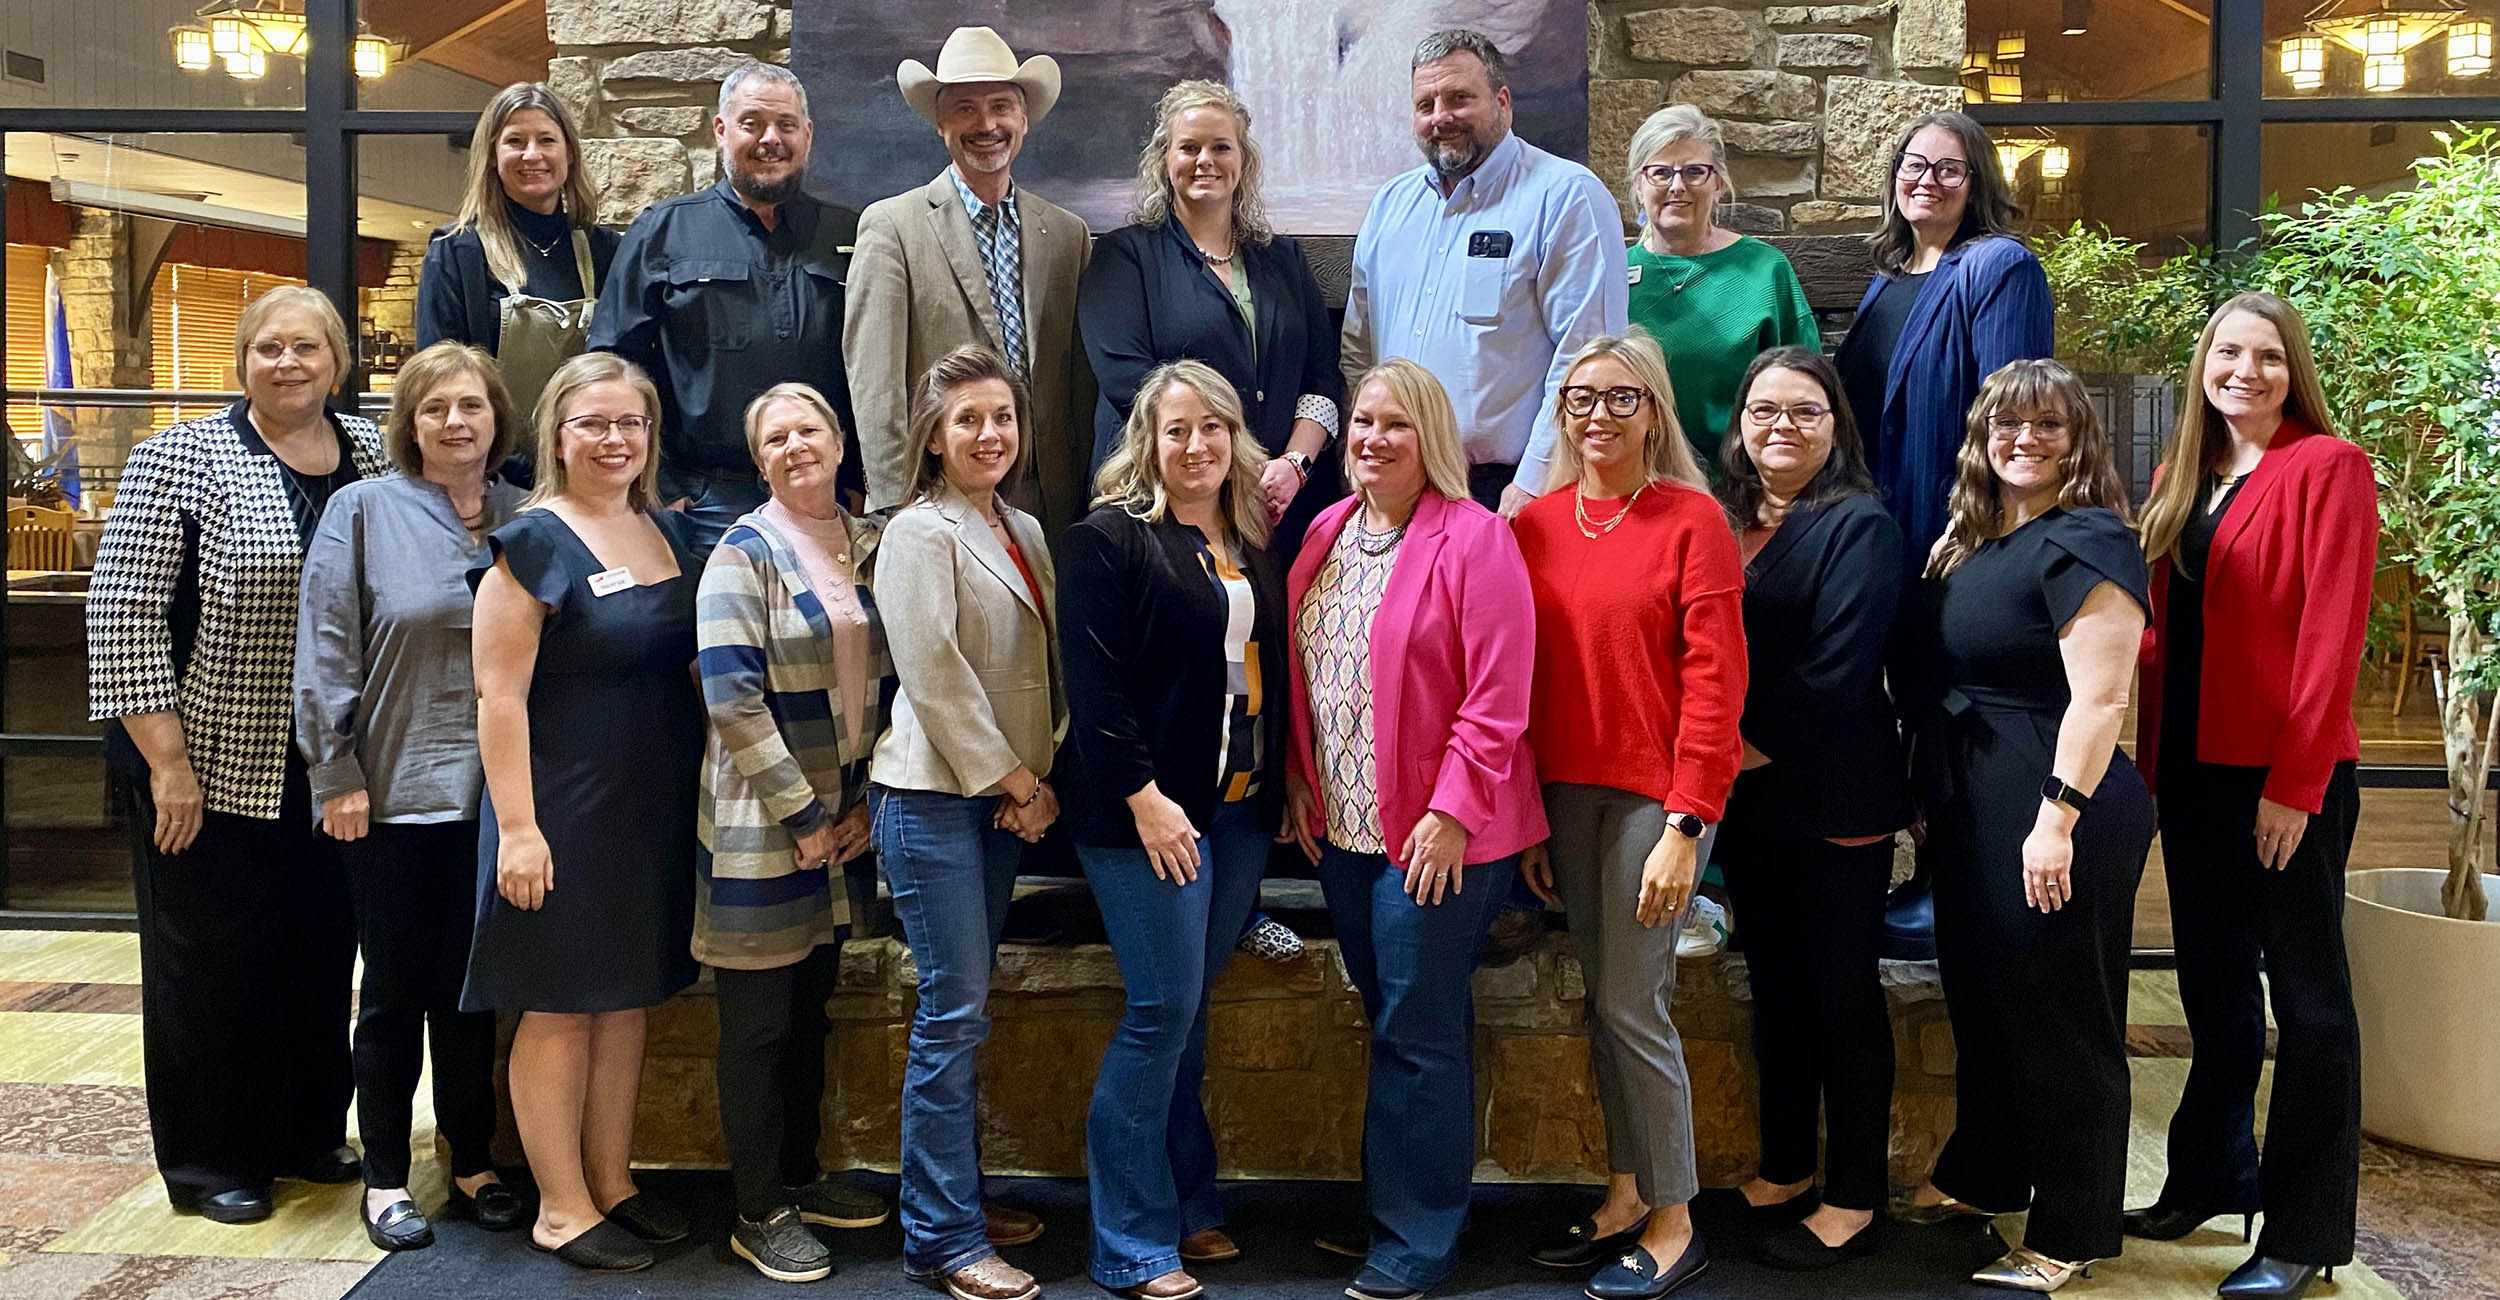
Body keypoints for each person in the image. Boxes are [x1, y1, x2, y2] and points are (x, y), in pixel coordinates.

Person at [87, 285, 385, 1225]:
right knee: (211, 969)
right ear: (242, 361)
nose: (288, 363)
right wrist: (168, 765)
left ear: (339, 362)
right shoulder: (180, 458)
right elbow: (123, 617)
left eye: (307, 347)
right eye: (269, 348)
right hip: (208, 768)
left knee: (317, 954)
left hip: (332, 768)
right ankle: (214, 1158)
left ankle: (305, 1130)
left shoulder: (373, 455)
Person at [2126, 294, 2376, 1300]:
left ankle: (2307, 1228)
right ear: (2202, 365)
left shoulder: (2327, 466)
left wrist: (2294, 783)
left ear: (2292, 368)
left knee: (2308, 1005)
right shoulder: (2182, 473)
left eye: (2267, 356)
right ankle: (2207, 1174)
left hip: (2282, 775)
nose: (2245, 370)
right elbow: (2160, 632)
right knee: (2214, 988)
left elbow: (2331, 633)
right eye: (2227, 352)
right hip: (2189, 768)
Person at [1282, 358, 1547, 1300]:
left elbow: (1498, 697)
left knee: (1417, 1028)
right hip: (1346, 831)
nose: (1372, 439)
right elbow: (1311, 675)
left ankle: (1417, 1237)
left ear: (1431, 438)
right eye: (1360, 421)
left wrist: (1449, 813)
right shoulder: (1327, 529)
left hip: (1441, 837)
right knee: (1397, 1020)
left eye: (1397, 424)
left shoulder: (1475, 539)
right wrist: (1302, 782)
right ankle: (1401, 1204)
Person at [1896, 359, 2154, 1293]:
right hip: (1976, 800)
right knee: (1987, 1003)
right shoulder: (1976, 539)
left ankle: (2072, 1227)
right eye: (2009, 424)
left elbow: (2103, 698)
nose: (2026, 441)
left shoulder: (2085, 540)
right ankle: (1986, 1174)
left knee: (2063, 1018)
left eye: (2049, 426)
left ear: (2079, 440)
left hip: (2055, 802)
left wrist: (2058, 822)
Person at [1510, 333, 1739, 1300]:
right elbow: (1515, 676)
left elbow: (1717, 682)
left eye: (1619, 397)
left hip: (1659, 797)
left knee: (1633, 1003)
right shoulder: (1534, 525)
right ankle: (1625, 1191)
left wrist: (1688, 824)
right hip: (1569, 793)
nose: (1597, 415)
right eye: (1579, 398)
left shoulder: (1694, 521)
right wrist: (1528, 815)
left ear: (1654, 411)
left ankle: (1677, 1219)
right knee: (1601, 1000)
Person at [465, 351, 704, 1273]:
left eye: (631, 424)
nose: (614, 440)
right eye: (593, 424)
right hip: (558, 809)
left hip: (647, 806)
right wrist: (518, 828)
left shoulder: (667, 535)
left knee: (628, 998)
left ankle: (614, 1181)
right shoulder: (529, 546)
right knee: (564, 1005)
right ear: (557, 435)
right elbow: (498, 700)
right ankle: (560, 1205)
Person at [294, 342, 527, 1251]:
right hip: (388, 798)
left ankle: (470, 1161)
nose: (456, 423)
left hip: (498, 806)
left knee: (472, 996)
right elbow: (324, 649)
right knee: (393, 992)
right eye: (435, 410)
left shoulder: (524, 513)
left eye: (471, 406)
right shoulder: (362, 510)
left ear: (497, 417)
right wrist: (335, 773)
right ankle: (387, 1177)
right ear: (410, 424)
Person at [1060, 360, 1285, 1300]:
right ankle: (1129, 1239)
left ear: (1236, 437)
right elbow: (1096, 686)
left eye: (1214, 428)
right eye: (1177, 429)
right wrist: (1146, 798)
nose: (1197, 446)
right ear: (1147, 440)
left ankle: (1192, 1202)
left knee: (1187, 1015)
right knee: (1158, 1015)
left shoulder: (1250, 535)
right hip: (1149, 817)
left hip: (1237, 812)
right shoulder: (1108, 540)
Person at [869, 344, 1067, 1300]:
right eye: (968, 421)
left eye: (1002, 416)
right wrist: (1016, 782)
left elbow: (1048, 667)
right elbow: (935, 677)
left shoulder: (1023, 525)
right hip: (932, 801)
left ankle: (950, 1195)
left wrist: (1042, 773)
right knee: (951, 1016)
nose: (990, 434)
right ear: (935, 440)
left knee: (966, 1012)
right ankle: (941, 1238)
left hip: (997, 803)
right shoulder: (918, 531)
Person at [695, 382, 900, 1283]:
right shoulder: (743, 554)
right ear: (759, 458)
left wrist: (863, 811)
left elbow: (900, 684)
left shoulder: (871, 544)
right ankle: (756, 1209)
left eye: (807, 430)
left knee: (812, 1009)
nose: (794, 447)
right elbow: (732, 701)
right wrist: (808, 818)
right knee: (756, 1027)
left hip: (848, 819)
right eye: (774, 437)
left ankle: (803, 1176)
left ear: (840, 441)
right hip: (766, 823)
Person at [1711, 346, 1909, 1271]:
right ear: (1739, 425)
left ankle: (1856, 1193)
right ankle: (1787, 1164)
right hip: (1750, 802)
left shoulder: (1859, 524)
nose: (1780, 427)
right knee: (1777, 989)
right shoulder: (1722, 518)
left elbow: (1836, 673)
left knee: (1841, 995)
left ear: (1836, 427)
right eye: (1763, 411)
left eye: (1804, 411)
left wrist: (1726, 756)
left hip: (1832, 793)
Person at [1341, 28, 1627, 520]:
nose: (1441, 117)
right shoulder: (1390, 205)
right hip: (1397, 486)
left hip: (1507, 488)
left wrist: (1533, 483)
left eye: (1459, 98)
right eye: (1425, 104)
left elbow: (1587, 358)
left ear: (1502, 101)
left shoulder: (1564, 196)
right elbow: (1359, 349)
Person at [590, 60, 859, 553]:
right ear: (721, 130)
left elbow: (869, 370)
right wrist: (659, 484)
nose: (770, 139)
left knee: (830, 628)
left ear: (808, 134)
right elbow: (611, 369)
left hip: (825, 492)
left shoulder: (850, 235)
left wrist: (859, 478)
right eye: (752, 123)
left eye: (786, 125)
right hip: (703, 500)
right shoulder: (662, 231)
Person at [1078, 79, 1343, 563]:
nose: (1206, 160)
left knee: (1266, 637)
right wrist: (1236, 466)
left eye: (1221, 147)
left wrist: (1294, 465)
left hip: (1276, 511)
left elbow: (1322, 378)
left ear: (1243, 161)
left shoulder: (1284, 260)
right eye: (1189, 147)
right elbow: (1131, 384)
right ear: (1164, 161)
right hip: (1164, 512)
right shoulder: (1123, 259)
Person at [850, 26, 1093, 544]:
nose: (987, 124)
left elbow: (1079, 386)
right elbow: (876, 383)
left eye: (1002, 106)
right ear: (939, 122)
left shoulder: (1068, 235)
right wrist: (898, 507)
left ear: (1024, 120)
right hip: (938, 497)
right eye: (965, 108)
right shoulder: (893, 226)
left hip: (1050, 500)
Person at [1832, 110, 2052, 560]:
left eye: (1949, 170)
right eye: (1913, 165)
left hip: (1950, 532)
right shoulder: (1888, 278)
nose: (1926, 180)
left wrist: (1976, 523)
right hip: (1874, 527)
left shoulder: (2000, 267)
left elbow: (2012, 416)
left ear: (1977, 186)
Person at [415, 81, 618, 483]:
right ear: (491, 157)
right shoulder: (458, 253)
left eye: (546, 140)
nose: (532, 155)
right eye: (515, 141)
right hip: (486, 476)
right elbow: (439, 379)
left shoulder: (606, 252)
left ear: (570, 154)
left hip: (589, 473)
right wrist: (509, 468)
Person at [1621, 107, 1818, 476]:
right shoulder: (1610, 273)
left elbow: (1806, 388)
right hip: (1636, 483)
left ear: (1719, 184)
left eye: (1695, 171)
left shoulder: (1765, 270)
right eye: (1661, 172)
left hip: (1742, 484)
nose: (1677, 186)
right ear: (1638, 185)